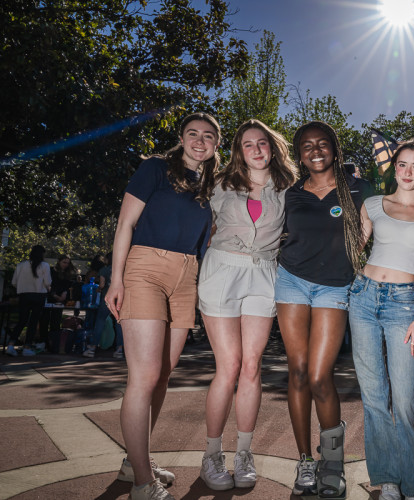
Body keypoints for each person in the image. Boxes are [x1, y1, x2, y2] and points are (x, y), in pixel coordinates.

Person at [105, 112, 221, 500]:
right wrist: (116, 278)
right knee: (144, 374)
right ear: (182, 138)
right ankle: (141, 482)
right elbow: (125, 224)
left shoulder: (211, 185)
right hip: (145, 269)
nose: (200, 141)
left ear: (217, 144)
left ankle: (134, 459)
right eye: (193, 134)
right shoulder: (155, 168)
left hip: (187, 275)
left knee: (163, 374)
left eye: (208, 136)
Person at [196, 119, 297, 490]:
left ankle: (244, 452)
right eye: (248, 144)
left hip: (264, 274)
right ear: (239, 151)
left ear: (273, 147)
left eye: (262, 143)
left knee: (252, 366)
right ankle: (211, 454)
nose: (256, 150)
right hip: (222, 270)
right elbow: (200, 226)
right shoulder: (220, 185)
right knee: (229, 365)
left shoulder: (289, 188)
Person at [274, 120, 372, 498]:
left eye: (322, 144)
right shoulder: (289, 192)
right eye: (306, 146)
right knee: (296, 373)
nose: (315, 150)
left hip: (334, 286)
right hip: (291, 281)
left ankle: (332, 462)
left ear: (334, 148)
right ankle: (304, 462)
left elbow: (389, 220)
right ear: (299, 155)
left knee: (318, 376)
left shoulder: (359, 189)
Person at [349, 140, 414, 500]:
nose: (407, 172)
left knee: (405, 400)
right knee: (374, 396)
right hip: (362, 298)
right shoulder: (373, 204)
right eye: (402, 165)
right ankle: (388, 478)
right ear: (394, 168)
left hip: (404, 306)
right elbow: (354, 251)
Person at [8, 245, 51, 357]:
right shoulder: (44, 266)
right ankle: (27, 347)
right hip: (39, 295)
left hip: (24, 295)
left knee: (22, 320)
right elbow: (47, 282)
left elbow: (14, 282)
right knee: (33, 322)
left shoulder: (21, 265)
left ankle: (11, 344)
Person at [85, 252, 124, 359]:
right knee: (119, 323)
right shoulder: (123, 269)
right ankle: (119, 349)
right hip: (119, 298)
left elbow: (101, 285)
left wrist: (98, 289)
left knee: (100, 322)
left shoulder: (104, 270)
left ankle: (92, 348)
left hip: (106, 298)